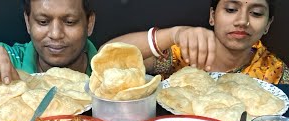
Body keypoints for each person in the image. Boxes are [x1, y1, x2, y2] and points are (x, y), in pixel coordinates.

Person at [106, 0, 289, 84]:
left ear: (267, 25)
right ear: (212, 16)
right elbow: (109, 58)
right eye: (231, 9)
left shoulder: (276, 72)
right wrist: (173, 34)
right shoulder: (181, 54)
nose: (242, 21)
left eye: (256, 13)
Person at [0, 0, 96, 96]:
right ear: (28, 22)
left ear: (89, 24)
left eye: (70, 21)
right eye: (43, 21)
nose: (55, 34)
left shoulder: (109, 68)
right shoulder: (1, 62)